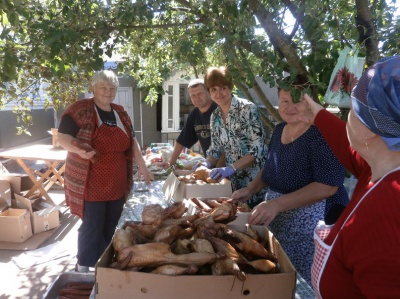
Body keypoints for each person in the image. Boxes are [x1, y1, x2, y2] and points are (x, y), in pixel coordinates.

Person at [231, 77, 349, 285]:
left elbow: (328, 186)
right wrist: (250, 190)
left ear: (310, 102)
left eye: (297, 100)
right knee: (283, 280)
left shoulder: (321, 133)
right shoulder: (279, 129)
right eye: (284, 101)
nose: (289, 107)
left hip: (316, 227)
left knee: (311, 283)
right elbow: (270, 167)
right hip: (280, 223)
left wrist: (276, 204)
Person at [300, 56, 400, 298]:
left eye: (354, 111)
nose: (347, 120)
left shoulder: (386, 213)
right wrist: (319, 115)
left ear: (371, 130)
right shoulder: (378, 167)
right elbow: (350, 151)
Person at [57, 70, 154, 272]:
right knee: (92, 225)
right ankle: (84, 266)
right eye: (103, 87)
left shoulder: (120, 112)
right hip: (91, 182)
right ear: (94, 87)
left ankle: (102, 264)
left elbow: (133, 141)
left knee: (110, 225)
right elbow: (63, 137)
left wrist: (142, 166)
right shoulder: (81, 109)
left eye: (112, 88)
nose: (108, 92)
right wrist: (77, 149)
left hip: (117, 181)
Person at [196, 66, 268, 208]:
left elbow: (258, 149)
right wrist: (207, 163)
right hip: (232, 186)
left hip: (255, 185)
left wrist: (231, 168)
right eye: (213, 90)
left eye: (222, 87)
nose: (219, 93)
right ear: (209, 92)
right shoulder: (215, 116)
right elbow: (215, 149)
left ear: (230, 87)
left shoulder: (248, 109)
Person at [160, 78, 219, 168]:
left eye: (199, 94)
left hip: (229, 166)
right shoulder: (194, 114)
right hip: (211, 165)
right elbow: (181, 141)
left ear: (208, 92)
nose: (197, 98)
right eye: (193, 95)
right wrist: (170, 163)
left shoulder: (219, 110)